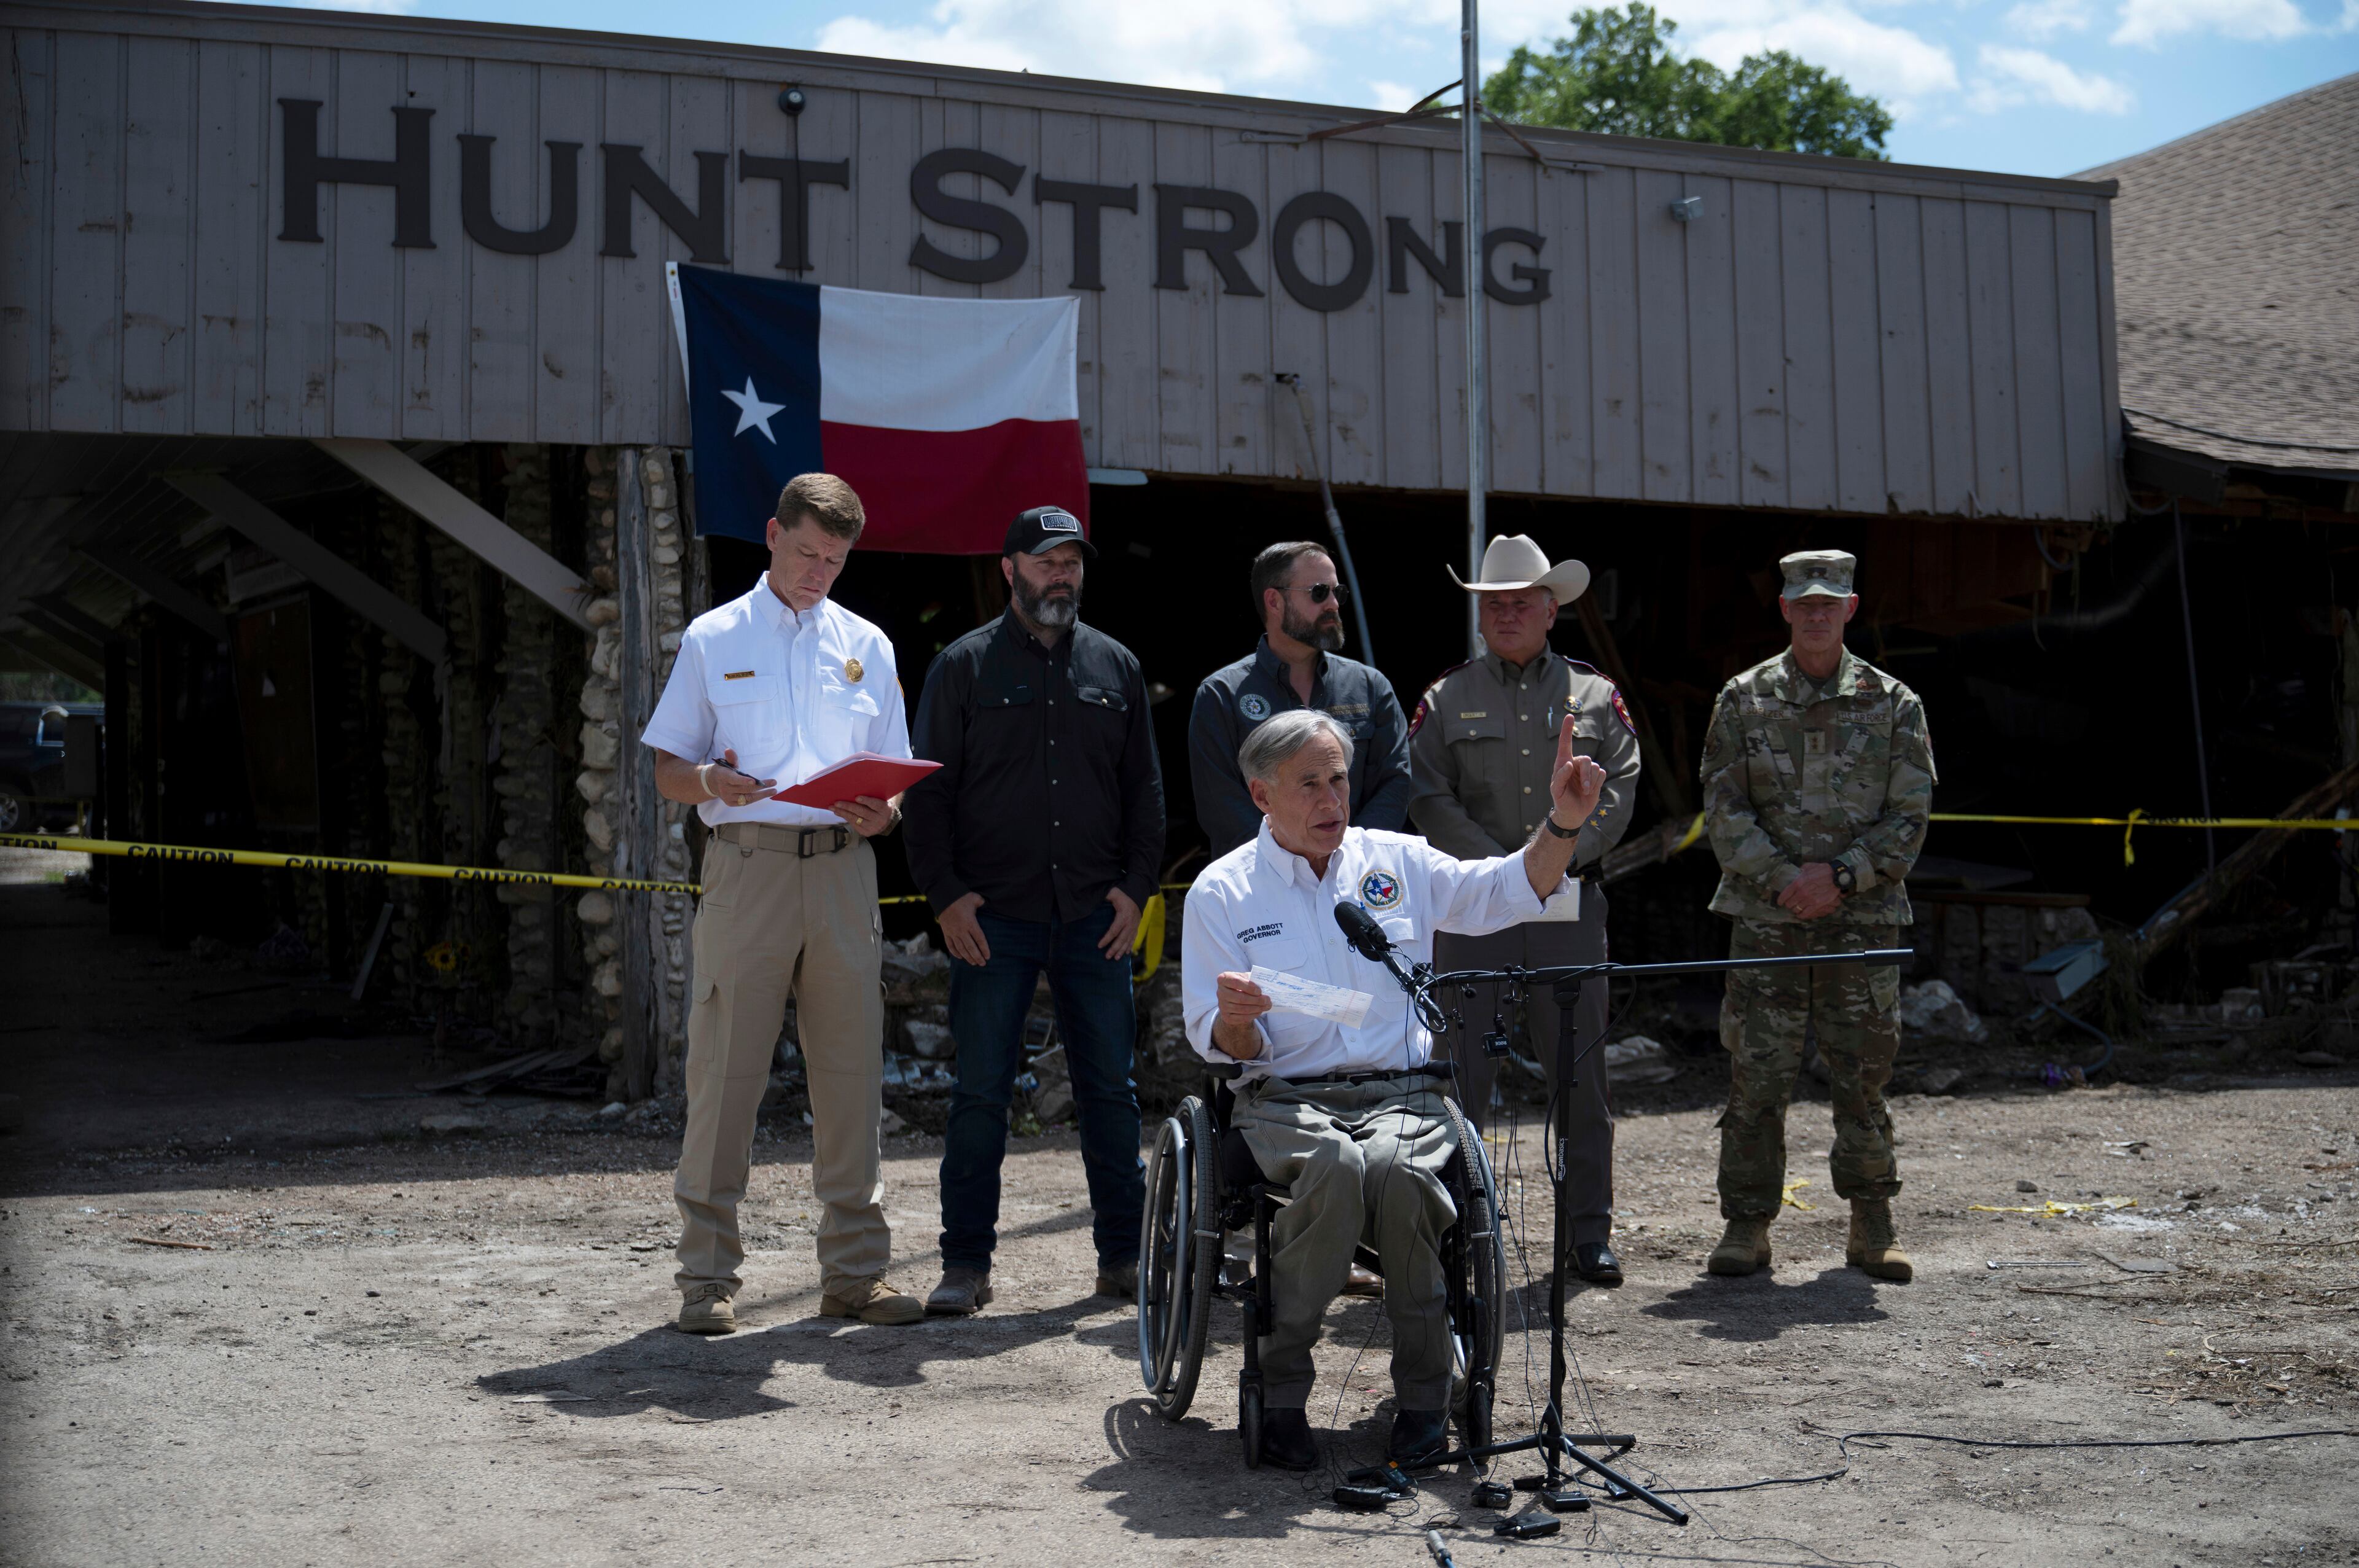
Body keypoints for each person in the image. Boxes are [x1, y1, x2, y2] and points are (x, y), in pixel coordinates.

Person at [1182, 708, 1606, 1471]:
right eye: (1307, 784)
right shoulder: (1222, 892)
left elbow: (1508, 889)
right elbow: (1219, 1041)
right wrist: (1240, 1021)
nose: (1330, 800)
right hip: (1283, 1098)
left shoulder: (1397, 861)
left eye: (1338, 779)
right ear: (1260, 794)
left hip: (1401, 1093)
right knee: (1338, 1170)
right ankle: (1280, 1392)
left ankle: (1422, 1399)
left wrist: (1564, 823)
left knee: (1404, 1176)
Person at [641, 474, 923, 1334]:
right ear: (772, 535)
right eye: (806, 553)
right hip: (748, 865)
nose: (818, 573)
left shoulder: (867, 643)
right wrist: (709, 781)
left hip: (842, 869)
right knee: (725, 1074)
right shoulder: (712, 635)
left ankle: (855, 1276)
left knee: (849, 1075)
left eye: (834, 561)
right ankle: (706, 1281)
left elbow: (896, 777)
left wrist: (888, 810)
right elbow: (665, 770)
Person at [902, 505, 1165, 1316]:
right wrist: (945, 897)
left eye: (1073, 563)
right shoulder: (964, 667)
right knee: (981, 1091)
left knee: (1111, 1094)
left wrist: (1136, 888)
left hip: (1096, 915)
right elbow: (927, 794)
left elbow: (1145, 794)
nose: (1063, 576)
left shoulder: (1115, 667)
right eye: (1047, 562)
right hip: (996, 922)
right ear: (1010, 567)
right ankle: (965, 1265)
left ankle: (1124, 1257)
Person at [1407, 534, 1641, 1285]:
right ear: (1481, 618)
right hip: (1473, 910)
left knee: (1580, 1077)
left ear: (1551, 610)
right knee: (1459, 1074)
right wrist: (1500, 873)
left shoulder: (1596, 697)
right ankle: (1448, 1231)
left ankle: (1587, 1235)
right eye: (1493, 605)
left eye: (1521, 603)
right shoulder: (1445, 700)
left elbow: (1622, 788)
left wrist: (1553, 857)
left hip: (1569, 910)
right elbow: (1425, 795)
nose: (1506, 615)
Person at [1697, 549, 1935, 1284]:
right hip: (1768, 920)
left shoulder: (1895, 704)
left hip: (1860, 922)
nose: (1817, 613)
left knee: (1862, 1077)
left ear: (1852, 608)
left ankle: (1873, 1224)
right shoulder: (1743, 698)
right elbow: (1722, 805)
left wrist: (1838, 878)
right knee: (1757, 1076)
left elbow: (1910, 814)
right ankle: (1747, 1224)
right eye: (1804, 602)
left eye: (1829, 602)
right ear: (1785, 609)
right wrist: (1783, 882)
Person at [1189, 541, 1412, 860]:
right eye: (1320, 592)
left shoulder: (1370, 687)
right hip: (1263, 886)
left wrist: (1346, 860)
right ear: (1274, 600)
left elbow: (1394, 784)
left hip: (1352, 879)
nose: (1334, 604)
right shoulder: (1221, 694)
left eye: (1339, 593)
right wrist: (1293, 864)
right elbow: (1220, 804)